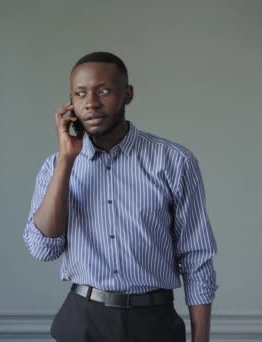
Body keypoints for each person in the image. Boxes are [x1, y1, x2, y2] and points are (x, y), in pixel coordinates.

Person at [23, 51, 218, 342]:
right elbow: (43, 249)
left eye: (103, 91)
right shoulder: (55, 167)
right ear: (70, 103)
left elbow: (197, 258)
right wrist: (67, 160)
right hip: (82, 321)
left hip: (154, 323)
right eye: (80, 93)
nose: (91, 102)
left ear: (127, 94)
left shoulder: (175, 162)